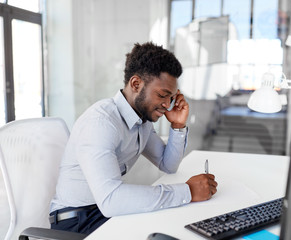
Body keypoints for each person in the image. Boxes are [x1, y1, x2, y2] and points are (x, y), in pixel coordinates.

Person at [49, 42, 218, 234]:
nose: (167, 105)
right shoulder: (101, 123)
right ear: (136, 84)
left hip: (103, 212)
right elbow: (111, 199)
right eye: (163, 95)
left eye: (171, 98)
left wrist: (177, 125)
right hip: (76, 223)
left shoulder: (141, 120)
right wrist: (188, 191)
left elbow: (168, 165)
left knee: (174, 225)